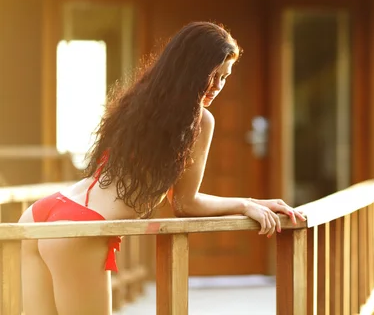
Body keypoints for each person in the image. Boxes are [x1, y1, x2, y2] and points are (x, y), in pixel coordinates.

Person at [19, 21, 305, 315]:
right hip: (79, 228)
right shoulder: (199, 120)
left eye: (225, 78)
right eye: (213, 74)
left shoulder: (138, 101)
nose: (218, 86)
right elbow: (185, 203)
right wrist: (244, 205)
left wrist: (254, 203)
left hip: (43, 213)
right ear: (192, 68)